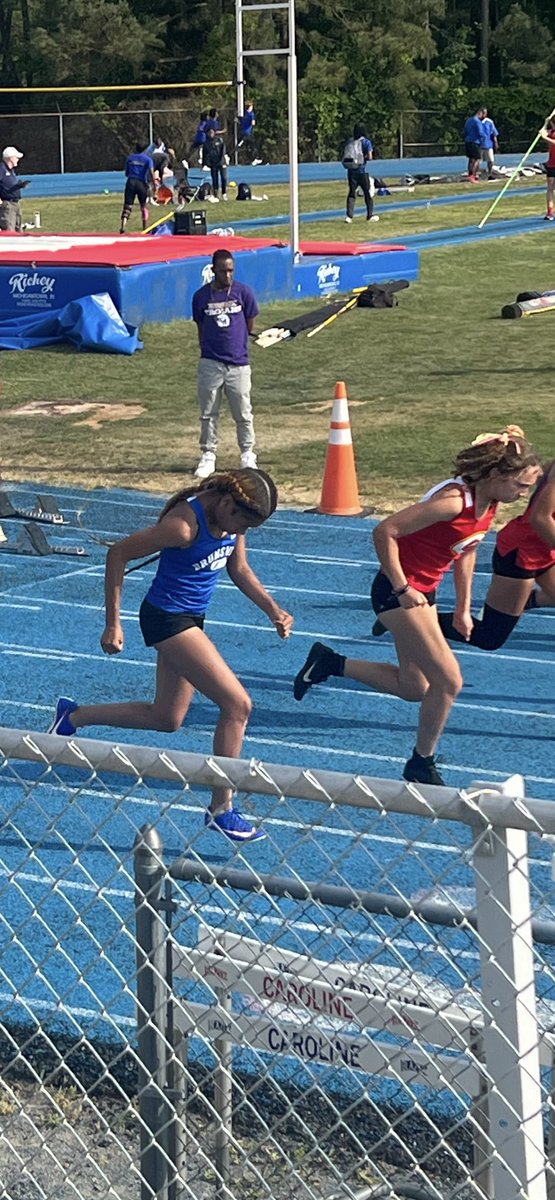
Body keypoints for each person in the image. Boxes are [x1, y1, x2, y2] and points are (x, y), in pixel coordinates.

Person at [48, 468, 294, 844]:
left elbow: (239, 568)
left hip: (190, 618)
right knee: (238, 705)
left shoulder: (231, 518)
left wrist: (273, 610)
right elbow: (118, 554)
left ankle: (73, 716)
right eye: (242, 524)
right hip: (167, 619)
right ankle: (221, 807)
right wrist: (113, 624)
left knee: (167, 718)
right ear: (228, 503)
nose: (241, 532)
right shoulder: (183, 526)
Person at [293, 427, 540, 787]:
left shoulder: (490, 502)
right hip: (397, 593)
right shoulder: (453, 502)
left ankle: (331, 663)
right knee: (449, 681)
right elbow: (385, 531)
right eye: (521, 485)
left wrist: (463, 608)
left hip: (424, 593)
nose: (524, 494)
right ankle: (421, 763)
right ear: (495, 476)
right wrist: (403, 587)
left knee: (414, 688)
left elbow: (466, 550)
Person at [437, 458, 554, 650]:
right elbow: (540, 518)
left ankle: (521, 601)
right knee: (489, 637)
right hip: (523, 552)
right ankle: (412, 621)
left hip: (545, 549)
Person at [192, 248, 259, 480]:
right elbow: (200, 326)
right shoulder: (201, 296)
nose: (228, 275)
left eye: (231, 271)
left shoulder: (243, 292)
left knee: (243, 411)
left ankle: (247, 453)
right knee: (208, 412)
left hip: (238, 363)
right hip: (211, 362)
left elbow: (250, 323)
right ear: (213, 271)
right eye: (223, 271)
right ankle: (208, 454)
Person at [343, 124, 378, 224]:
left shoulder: (350, 141)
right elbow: (370, 157)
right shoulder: (366, 142)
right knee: (367, 193)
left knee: (351, 193)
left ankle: (349, 216)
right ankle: (369, 215)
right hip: (362, 171)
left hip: (351, 171)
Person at [119, 142, 154, 234]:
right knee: (143, 205)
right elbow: (151, 173)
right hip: (141, 183)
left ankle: (123, 226)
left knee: (127, 205)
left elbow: (126, 173)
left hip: (130, 182)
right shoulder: (148, 159)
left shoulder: (130, 158)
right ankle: (145, 227)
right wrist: (154, 184)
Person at [0, 146, 31, 232]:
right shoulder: (2, 169)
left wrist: (19, 185)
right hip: (8, 204)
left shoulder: (11, 171)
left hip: (16, 203)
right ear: (10, 158)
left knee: (19, 230)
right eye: (16, 157)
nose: (18, 159)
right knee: (9, 229)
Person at [203, 127, 228, 201]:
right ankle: (216, 194)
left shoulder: (219, 140)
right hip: (213, 163)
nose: (210, 134)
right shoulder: (206, 143)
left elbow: (223, 151)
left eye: (212, 132)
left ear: (214, 132)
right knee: (215, 179)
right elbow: (205, 154)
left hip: (221, 162)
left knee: (224, 178)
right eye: (209, 132)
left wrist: (222, 160)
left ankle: (224, 193)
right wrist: (204, 164)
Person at [463, 107, 485, 182]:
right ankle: (473, 176)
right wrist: (483, 141)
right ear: (480, 113)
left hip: (468, 141)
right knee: (477, 159)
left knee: (471, 159)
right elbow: (481, 133)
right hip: (475, 142)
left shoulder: (468, 120)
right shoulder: (477, 121)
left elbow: (465, 131)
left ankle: (470, 175)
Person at [540, 120, 555, 221]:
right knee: (550, 188)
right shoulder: (551, 132)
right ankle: (550, 212)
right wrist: (545, 123)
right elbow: (543, 132)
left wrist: (544, 137)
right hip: (551, 164)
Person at [480, 109, 499, 179]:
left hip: (488, 145)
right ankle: (474, 175)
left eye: (485, 113)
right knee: (477, 161)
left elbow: (494, 133)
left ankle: (490, 174)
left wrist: (496, 143)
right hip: (478, 145)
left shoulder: (489, 122)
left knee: (491, 160)